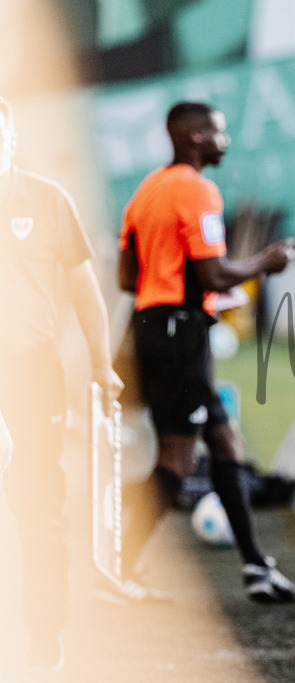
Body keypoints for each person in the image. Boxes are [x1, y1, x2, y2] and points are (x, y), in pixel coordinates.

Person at [117, 101, 295, 604]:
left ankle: (257, 567)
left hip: (156, 328)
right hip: (179, 333)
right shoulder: (197, 189)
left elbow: (127, 277)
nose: (225, 141)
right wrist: (268, 260)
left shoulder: (146, 191)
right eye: (218, 133)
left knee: (225, 444)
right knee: (176, 459)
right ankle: (117, 566)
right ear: (195, 137)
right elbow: (213, 272)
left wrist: (191, 292)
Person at [0, 96, 123, 671]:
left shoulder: (49, 201)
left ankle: (43, 632)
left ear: (12, 138)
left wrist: (101, 364)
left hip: (31, 373)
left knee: (38, 504)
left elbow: (82, 290)